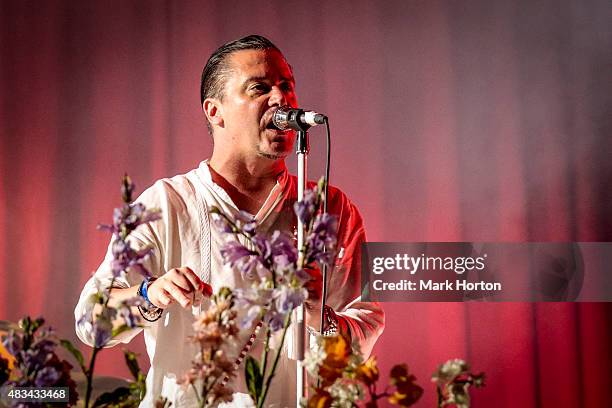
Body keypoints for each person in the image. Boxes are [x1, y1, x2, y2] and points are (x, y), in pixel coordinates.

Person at [75, 35, 384, 407]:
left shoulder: (330, 208)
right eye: (260, 87)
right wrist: (148, 294)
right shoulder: (166, 203)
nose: (281, 99)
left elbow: (363, 337)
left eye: (287, 86)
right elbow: (91, 324)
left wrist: (317, 313)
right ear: (214, 111)